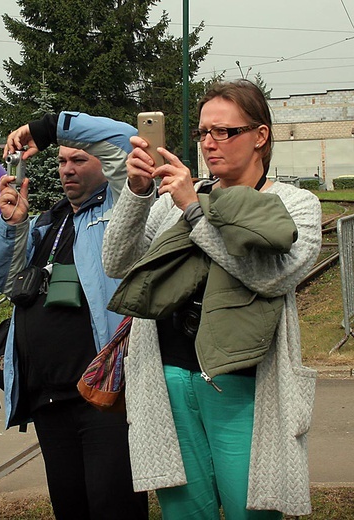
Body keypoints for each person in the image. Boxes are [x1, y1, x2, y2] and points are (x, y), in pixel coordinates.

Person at [101, 80, 322, 518]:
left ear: (260, 136)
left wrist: (195, 212)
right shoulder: (174, 199)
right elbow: (116, 261)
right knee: (185, 512)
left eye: (224, 132)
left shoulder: (295, 204)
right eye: (203, 132)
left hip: (245, 387)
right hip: (168, 380)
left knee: (251, 509)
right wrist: (138, 191)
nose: (209, 143)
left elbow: (272, 278)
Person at [0, 112, 147, 519]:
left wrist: (49, 128)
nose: (67, 169)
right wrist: (12, 225)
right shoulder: (48, 223)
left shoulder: (121, 208)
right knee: (70, 508)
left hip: (104, 395)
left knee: (113, 506)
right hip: (50, 396)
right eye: (62, 162)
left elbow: (128, 142)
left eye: (79, 159)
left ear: (102, 165)